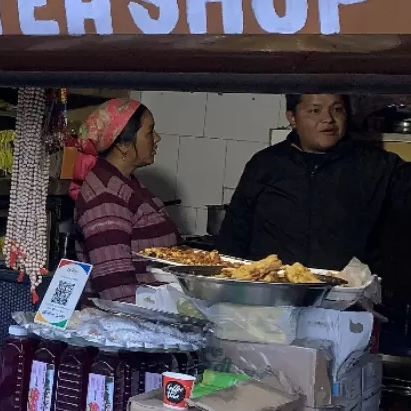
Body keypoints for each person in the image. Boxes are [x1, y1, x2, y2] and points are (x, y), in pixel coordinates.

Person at [218, 93, 411, 270]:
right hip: (273, 296)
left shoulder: (379, 166)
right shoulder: (265, 164)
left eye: (337, 109)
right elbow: (234, 236)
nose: (328, 119)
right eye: (314, 111)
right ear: (292, 118)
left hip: (348, 299)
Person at [72, 98, 180, 302]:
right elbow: (116, 286)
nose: (157, 138)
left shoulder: (124, 183)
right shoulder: (105, 197)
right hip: (127, 324)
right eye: (149, 132)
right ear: (123, 144)